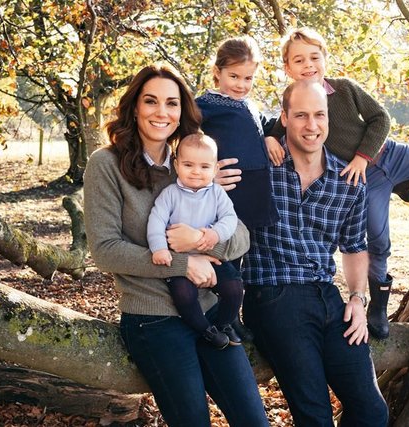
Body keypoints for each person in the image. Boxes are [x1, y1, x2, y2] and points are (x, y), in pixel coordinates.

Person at [83, 64, 269, 427]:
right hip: (153, 317)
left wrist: (203, 242)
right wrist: (184, 264)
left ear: (182, 111)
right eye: (151, 101)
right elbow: (105, 249)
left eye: (172, 103)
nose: (161, 112)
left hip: (211, 311)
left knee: (254, 420)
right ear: (134, 106)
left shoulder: (193, 164)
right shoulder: (105, 164)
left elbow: (242, 235)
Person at [265, 27, 409, 339]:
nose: (308, 65)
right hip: (364, 181)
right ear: (288, 68)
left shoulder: (344, 89)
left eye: (314, 57)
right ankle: (378, 308)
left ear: (325, 59)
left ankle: (404, 183)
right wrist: (268, 138)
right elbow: (278, 129)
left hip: (388, 155)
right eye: (299, 60)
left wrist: (361, 156)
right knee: (377, 240)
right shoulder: (296, 106)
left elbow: (380, 118)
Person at [242, 79, 389, 426]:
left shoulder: (348, 179)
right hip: (274, 296)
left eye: (319, 115)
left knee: (372, 412)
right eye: (301, 115)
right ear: (284, 117)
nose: (312, 125)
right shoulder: (260, 166)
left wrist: (356, 298)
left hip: (328, 297)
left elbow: (354, 247)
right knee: (315, 416)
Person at [196, 35, 278, 341]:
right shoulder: (205, 105)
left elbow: (265, 124)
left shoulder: (249, 104)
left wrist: (270, 135)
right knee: (226, 256)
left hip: (254, 192)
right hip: (229, 192)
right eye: (234, 76)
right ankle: (223, 316)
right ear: (217, 72)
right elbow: (184, 137)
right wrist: (205, 170)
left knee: (241, 257)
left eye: (248, 78)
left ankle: (234, 315)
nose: (241, 84)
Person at [147, 133, 243, 348]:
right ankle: (205, 330)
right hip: (179, 259)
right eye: (188, 164)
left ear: (215, 169)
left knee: (234, 287)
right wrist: (159, 249)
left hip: (209, 256)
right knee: (184, 295)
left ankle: (224, 324)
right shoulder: (170, 194)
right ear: (176, 164)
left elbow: (230, 219)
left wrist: (215, 234)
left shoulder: (217, 193)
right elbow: (156, 221)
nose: (196, 172)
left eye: (204, 167)